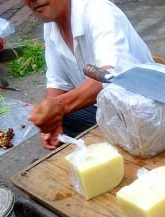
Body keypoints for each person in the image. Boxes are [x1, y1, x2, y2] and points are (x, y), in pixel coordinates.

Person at [23, 0, 154, 150]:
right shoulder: (51, 26)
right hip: (107, 110)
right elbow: (57, 83)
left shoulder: (99, 11)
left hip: (143, 109)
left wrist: (59, 107)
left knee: (63, 109)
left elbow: (110, 76)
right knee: (61, 119)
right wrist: (51, 119)